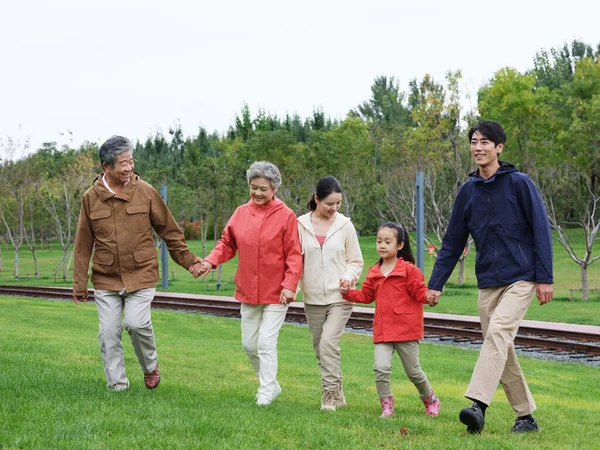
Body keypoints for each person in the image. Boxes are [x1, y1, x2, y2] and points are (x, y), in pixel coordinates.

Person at [426, 120, 553, 434]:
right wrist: (436, 283)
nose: (478, 147)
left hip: (522, 276)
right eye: (473, 141)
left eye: (485, 142)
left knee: (497, 334)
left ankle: (477, 406)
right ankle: (526, 418)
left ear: (499, 147)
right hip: (488, 281)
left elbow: (541, 229)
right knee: (500, 347)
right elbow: (453, 240)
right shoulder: (468, 191)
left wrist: (545, 277)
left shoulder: (519, 183)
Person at [72, 135, 202, 391]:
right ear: (106, 166)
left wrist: (191, 262)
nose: (129, 168)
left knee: (136, 323)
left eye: (131, 161)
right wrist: (79, 283)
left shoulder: (145, 191)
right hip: (106, 277)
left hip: (141, 273)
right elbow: (83, 243)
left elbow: (170, 231)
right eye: (123, 163)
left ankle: (150, 366)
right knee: (108, 333)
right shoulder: (91, 197)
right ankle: (117, 385)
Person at [192, 161, 302, 406]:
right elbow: (227, 243)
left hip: (278, 293)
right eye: (254, 187)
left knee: (265, 343)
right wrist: (210, 261)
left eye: (263, 188)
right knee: (249, 344)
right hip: (248, 290)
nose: (258, 193)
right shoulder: (241, 212)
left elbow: (295, 254)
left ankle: (264, 393)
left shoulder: (286, 216)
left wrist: (290, 285)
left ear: (274, 188)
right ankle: (272, 386)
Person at [340, 223, 440, 418]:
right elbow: (366, 296)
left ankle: (430, 399)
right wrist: (348, 293)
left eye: (387, 242)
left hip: (406, 330)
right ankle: (387, 407)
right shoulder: (374, 272)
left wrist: (428, 297)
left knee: (413, 372)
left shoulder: (409, 270)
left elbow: (419, 292)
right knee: (380, 368)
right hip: (383, 330)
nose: (382, 246)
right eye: (379, 241)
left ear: (400, 245)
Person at [297, 176, 363, 411]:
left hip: (340, 297)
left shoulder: (345, 225)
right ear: (316, 200)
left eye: (338, 203)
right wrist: (290, 287)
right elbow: (295, 261)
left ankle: (328, 395)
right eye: (329, 204)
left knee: (328, 344)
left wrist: (348, 277)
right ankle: (338, 391)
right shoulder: (299, 225)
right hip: (312, 298)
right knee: (320, 350)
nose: (334, 209)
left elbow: (356, 260)